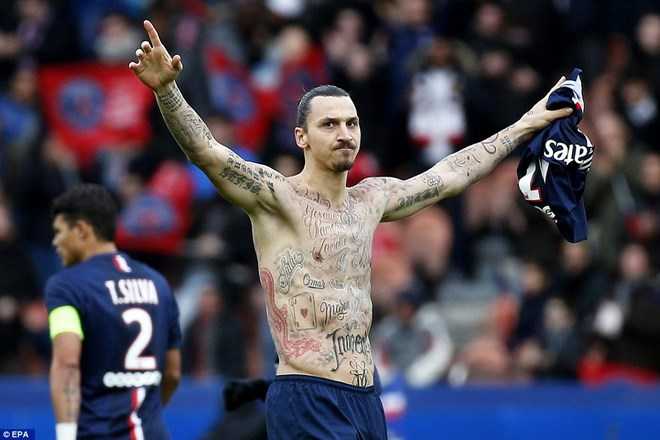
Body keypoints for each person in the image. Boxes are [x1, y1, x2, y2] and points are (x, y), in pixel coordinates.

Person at [129, 19, 573, 439]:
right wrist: (167, 91)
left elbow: (451, 173)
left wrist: (529, 122)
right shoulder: (275, 197)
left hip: (365, 397)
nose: (344, 133)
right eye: (329, 124)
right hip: (307, 394)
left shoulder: (371, 198)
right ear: (301, 137)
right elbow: (207, 152)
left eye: (351, 123)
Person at [46, 184, 182, 440]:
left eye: (59, 232)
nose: (55, 242)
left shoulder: (65, 287)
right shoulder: (159, 284)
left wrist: (65, 435)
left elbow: (67, 363)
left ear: (81, 230)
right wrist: (149, 415)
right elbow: (173, 373)